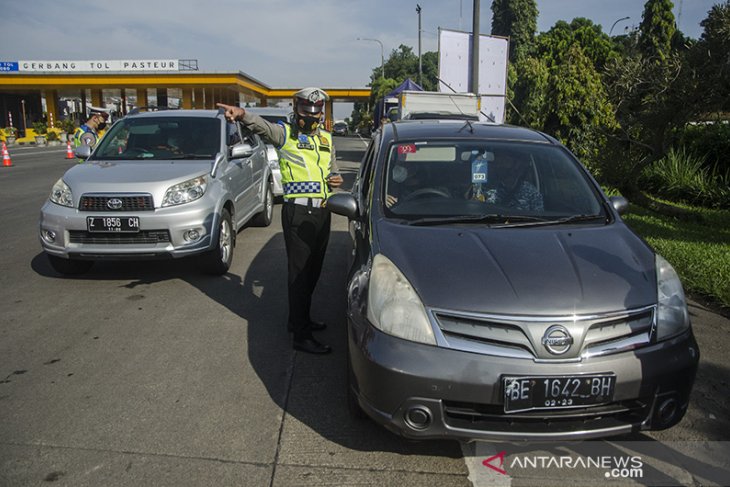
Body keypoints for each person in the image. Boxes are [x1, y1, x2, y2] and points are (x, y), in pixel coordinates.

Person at [217, 88, 343, 355]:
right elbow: (261, 126)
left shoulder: (326, 139)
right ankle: (301, 335)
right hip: (298, 214)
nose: (311, 117)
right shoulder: (285, 134)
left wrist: (336, 180)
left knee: (313, 273)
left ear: (322, 113)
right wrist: (241, 114)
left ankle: (300, 319)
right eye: (305, 111)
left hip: (322, 212)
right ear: (295, 109)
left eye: (316, 112)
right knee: (299, 275)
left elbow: (333, 172)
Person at [466, 150, 544, 211]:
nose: (500, 165)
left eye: (506, 162)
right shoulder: (482, 187)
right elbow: (471, 211)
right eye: (499, 162)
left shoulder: (531, 193)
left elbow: (540, 220)